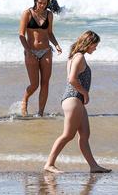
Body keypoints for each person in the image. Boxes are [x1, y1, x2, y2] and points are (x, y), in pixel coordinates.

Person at [43, 31, 111, 174]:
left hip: (76, 100)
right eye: (95, 45)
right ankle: (49, 164)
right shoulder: (79, 57)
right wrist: (85, 92)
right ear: (88, 43)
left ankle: (93, 166)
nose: (95, 48)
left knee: (85, 135)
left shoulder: (76, 56)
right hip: (73, 98)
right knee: (68, 135)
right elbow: (72, 79)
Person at [19, 0, 62, 116]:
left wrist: (56, 45)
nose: (42, 5)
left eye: (44, 3)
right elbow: (21, 35)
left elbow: (49, 33)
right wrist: (28, 51)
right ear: (35, 1)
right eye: (40, 3)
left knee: (45, 83)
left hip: (46, 51)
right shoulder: (27, 13)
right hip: (30, 51)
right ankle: (25, 100)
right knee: (34, 84)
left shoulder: (49, 15)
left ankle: (40, 112)